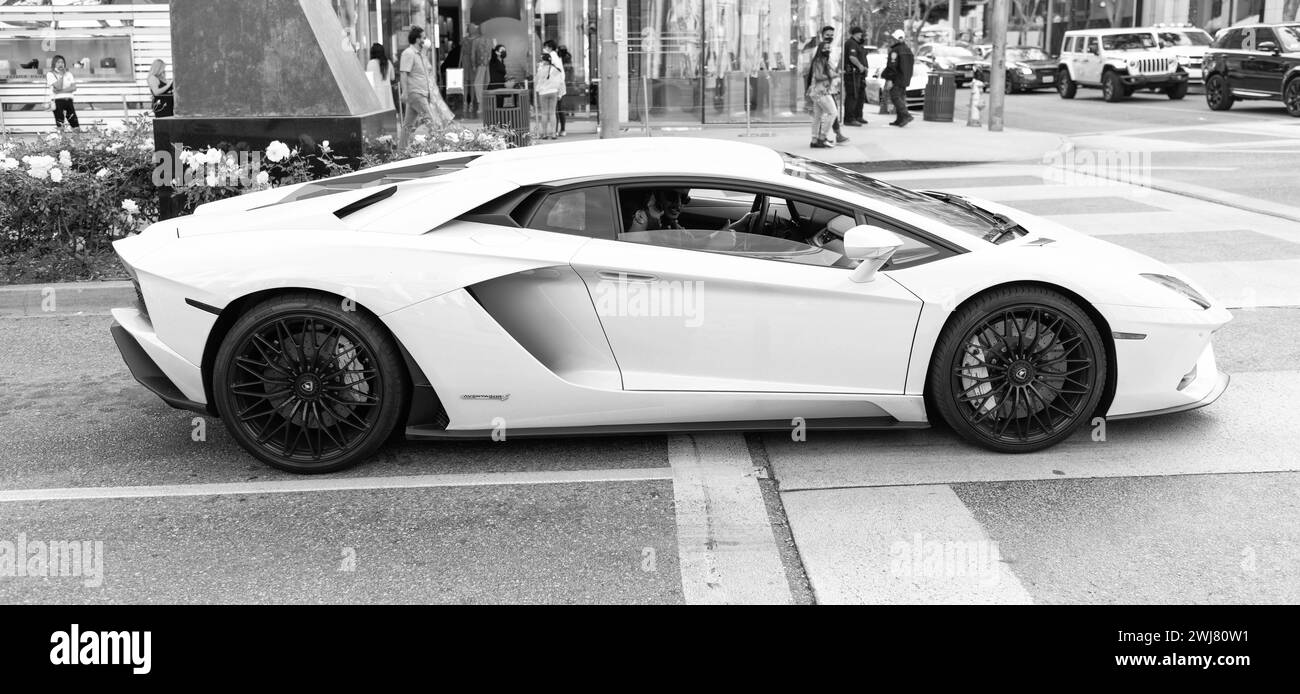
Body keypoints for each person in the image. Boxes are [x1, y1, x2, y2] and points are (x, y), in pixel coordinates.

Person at [399, 26, 454, 149]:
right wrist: (404, 92)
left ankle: (401, 151)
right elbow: (404, 73)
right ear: (417, 39)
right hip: (416, 93)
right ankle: (439, 148)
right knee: (432, 121)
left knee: (408, 125)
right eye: (423, 37)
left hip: (420, 93)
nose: (425, 40)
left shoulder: (419, 54)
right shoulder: (408, 53)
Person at [803, 26, 848, 143]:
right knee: (832, 112)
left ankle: (817, 139)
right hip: (821, 89)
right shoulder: (818, 51)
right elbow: (817, 73)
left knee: (821, 115)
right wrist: (834, 75)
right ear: (822, 35)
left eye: (832, 35)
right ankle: (824, 137)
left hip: (827, 88)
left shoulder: (830, 50)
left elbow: (831, 68)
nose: (830, 37)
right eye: (827, 35)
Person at [806, 42, 839, 149]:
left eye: (829, 48)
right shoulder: (820, 60)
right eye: (825, 48)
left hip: (817, 92)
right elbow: (819, 76)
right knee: (833, 112)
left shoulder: (820, 60)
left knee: (817, 117)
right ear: (820, 49)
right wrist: (834, 75)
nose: (827, 50)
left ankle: (814, 140)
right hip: (821, 92)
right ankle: (822, 138)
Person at [882, 29, 915, 127]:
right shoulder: (908, 50)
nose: (891, 40)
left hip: (897, 78)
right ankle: (900, 120)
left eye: (893, 38)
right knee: (900, 98)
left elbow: (892, 66)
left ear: (896, 39)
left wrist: (890, 79)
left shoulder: (895, 51)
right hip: (905, 78)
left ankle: (906, 115)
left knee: (895, 97)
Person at [534, 50, 565, 140]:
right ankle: (554, 134)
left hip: (543, 93)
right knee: (552, 113)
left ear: (544, 61)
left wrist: (537, 91)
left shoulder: (540, 70)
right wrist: (560, 93)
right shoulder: (555, 69)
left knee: (544, 113)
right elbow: (560, 82)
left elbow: (537, 82)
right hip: (553, 92)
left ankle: (544, 134)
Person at [46, 55, 79, 131]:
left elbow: (74, 88)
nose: (61, 64)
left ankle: (77, 142)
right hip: (58, 102)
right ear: (54, 63)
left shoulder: (69, 74)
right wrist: (62, 75)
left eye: (62, 62)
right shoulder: (50, 74)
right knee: (60, 125)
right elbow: (58, 86)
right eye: (58, 62)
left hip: (69, 101)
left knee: (75, 125)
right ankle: (62, 142)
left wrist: (60, 92)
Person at [843, 26, 868, 126]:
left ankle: (858, 116)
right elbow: (852, 57)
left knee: (860, 96)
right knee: (852, 95)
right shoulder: (851, 43)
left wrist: (864, 68)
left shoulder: (858, 44)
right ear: (856, 34)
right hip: (852, 74)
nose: (862, 36)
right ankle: (849, 118)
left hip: (859, 75)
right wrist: (860, 66)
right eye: (861, 34)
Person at [366, 43, 395, 112]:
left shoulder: (371, 63)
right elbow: (392, 78)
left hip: (376, 93)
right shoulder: (388, 62)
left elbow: (368, 80)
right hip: (387, 93)